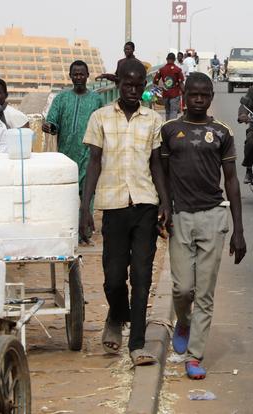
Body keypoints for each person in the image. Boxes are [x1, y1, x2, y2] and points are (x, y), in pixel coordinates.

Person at [80, 58, 170, 367]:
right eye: (127, 84)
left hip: (145, 204)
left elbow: (157, 164)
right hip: (113, 205)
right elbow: (94, 162)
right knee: (113, 278)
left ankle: (137, 345)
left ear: (145, 87)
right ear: (118, 84)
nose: (133, 90)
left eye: (138, 85)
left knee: (142, 276)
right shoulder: (100, 117)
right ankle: (116, 316)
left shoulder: (153, 120)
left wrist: (165, 203)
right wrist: (85, 206)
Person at [161, 73, 247, 379]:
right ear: (184, 94)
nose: (198, 99)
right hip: (181, 217)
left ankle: (194, 355)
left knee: (205, 293)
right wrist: (165, 206)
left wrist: (239, 228)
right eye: (193, 94)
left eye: (204, 95)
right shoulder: (169, 130)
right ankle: (183, 320)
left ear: (211, 97)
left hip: (213, 216)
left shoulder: (221, 132)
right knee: (183, 288)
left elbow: (232, 180)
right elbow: (162, 172)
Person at [43, 60, 105, 222]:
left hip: (89, 154)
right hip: (66, 154)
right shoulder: (61, 98)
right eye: (75, 74)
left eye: (81, 74)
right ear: (70, 76)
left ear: (87, 76)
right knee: (67, 193)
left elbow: (103, 125)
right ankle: (70, 225)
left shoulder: (96, 100)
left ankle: (85, 228)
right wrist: (50, 127)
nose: (78, 77)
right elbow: (52, 121)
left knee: (87, 192)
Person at [153, 53, 185, 121]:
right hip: (175, 94)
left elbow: (155, 80)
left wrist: (158, 90)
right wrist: (184, 92)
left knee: (167, 111)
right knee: (173, 111)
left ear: (167, 59)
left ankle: (167, 126)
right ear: (174, 60)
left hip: (165, 93)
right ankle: (172, 127)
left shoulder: (161, 69)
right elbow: (181, 83)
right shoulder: (178, 70)